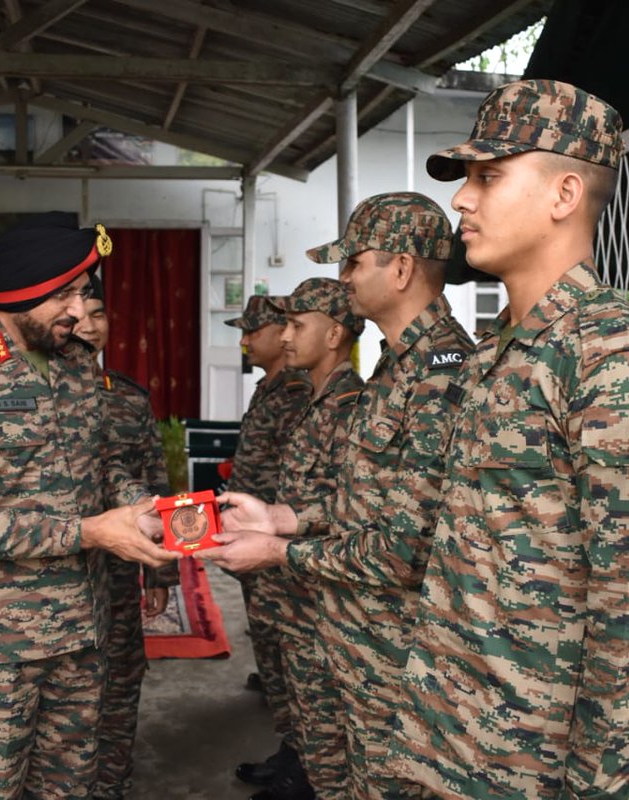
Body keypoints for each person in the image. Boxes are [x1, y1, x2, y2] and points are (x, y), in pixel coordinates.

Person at [388, 79, 629, 799]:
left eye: (488, 177)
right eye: (465, 180)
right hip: (446, 744)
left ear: (564, 195)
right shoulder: (505, 349)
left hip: (525, 773)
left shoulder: (615, 362)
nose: (462, 200)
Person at [204, 192, 472, 800]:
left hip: (397, 658)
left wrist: (277, 553)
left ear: (401, 270)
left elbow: (406, 546)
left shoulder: (440, 374)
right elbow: (374, 501)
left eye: (354, 263)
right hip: (357, 641)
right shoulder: (398, 367)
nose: (344, 277)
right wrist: (285, 515)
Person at [0, 212, 178, 800]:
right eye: (66, 296)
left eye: (83, 294)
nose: (81, 313)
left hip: (81, 631)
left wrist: (138, 508)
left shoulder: (76, 363)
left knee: (70, 788)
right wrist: (90, 533)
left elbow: (98, 466)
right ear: (20, 295)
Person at [73, 271, 179, 800]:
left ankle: (111, 783)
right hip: (58, 569)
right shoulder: (28, 395)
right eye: (81, 314)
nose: (89, 327)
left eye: (99, 315)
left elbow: (155, 484)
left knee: (119, 682)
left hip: (118, 569)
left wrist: (160, 569)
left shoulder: (128, 399)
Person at [261, 278, 366, 800]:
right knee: (313, 747)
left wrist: (282, 526)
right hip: (298, 598)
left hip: (327, 609)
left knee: (333, 758)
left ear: (333, 335)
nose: (284, 336)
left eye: (297, 325)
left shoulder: (350, 408)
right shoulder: (315, 400)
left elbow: (357, 513)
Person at [223, 294, 312, 783]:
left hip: (276, 538)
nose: (244, 342)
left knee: (284, 646)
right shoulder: (270, 387)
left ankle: (297, 760)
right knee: (266, 637)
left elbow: (296, 477)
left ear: (280, 334)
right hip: (253, 528)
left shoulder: (297, 392)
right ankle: (290, 744)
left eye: (250, 332)